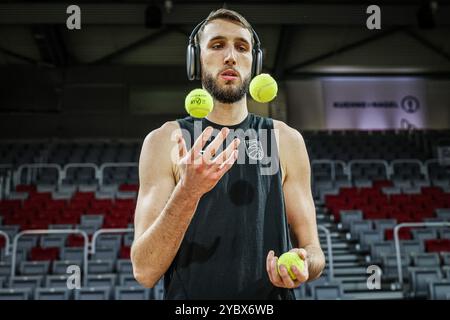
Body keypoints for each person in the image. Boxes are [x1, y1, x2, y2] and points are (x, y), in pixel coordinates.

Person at [131, 8, 325, 300]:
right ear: (196, 59)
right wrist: (187, 192)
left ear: (254, 63)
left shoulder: (285, 139)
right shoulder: (164, 141)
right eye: (218, 45)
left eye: (242, 47)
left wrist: (303, 266)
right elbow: (144, 270)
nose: (231, 56)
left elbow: (314, 252)